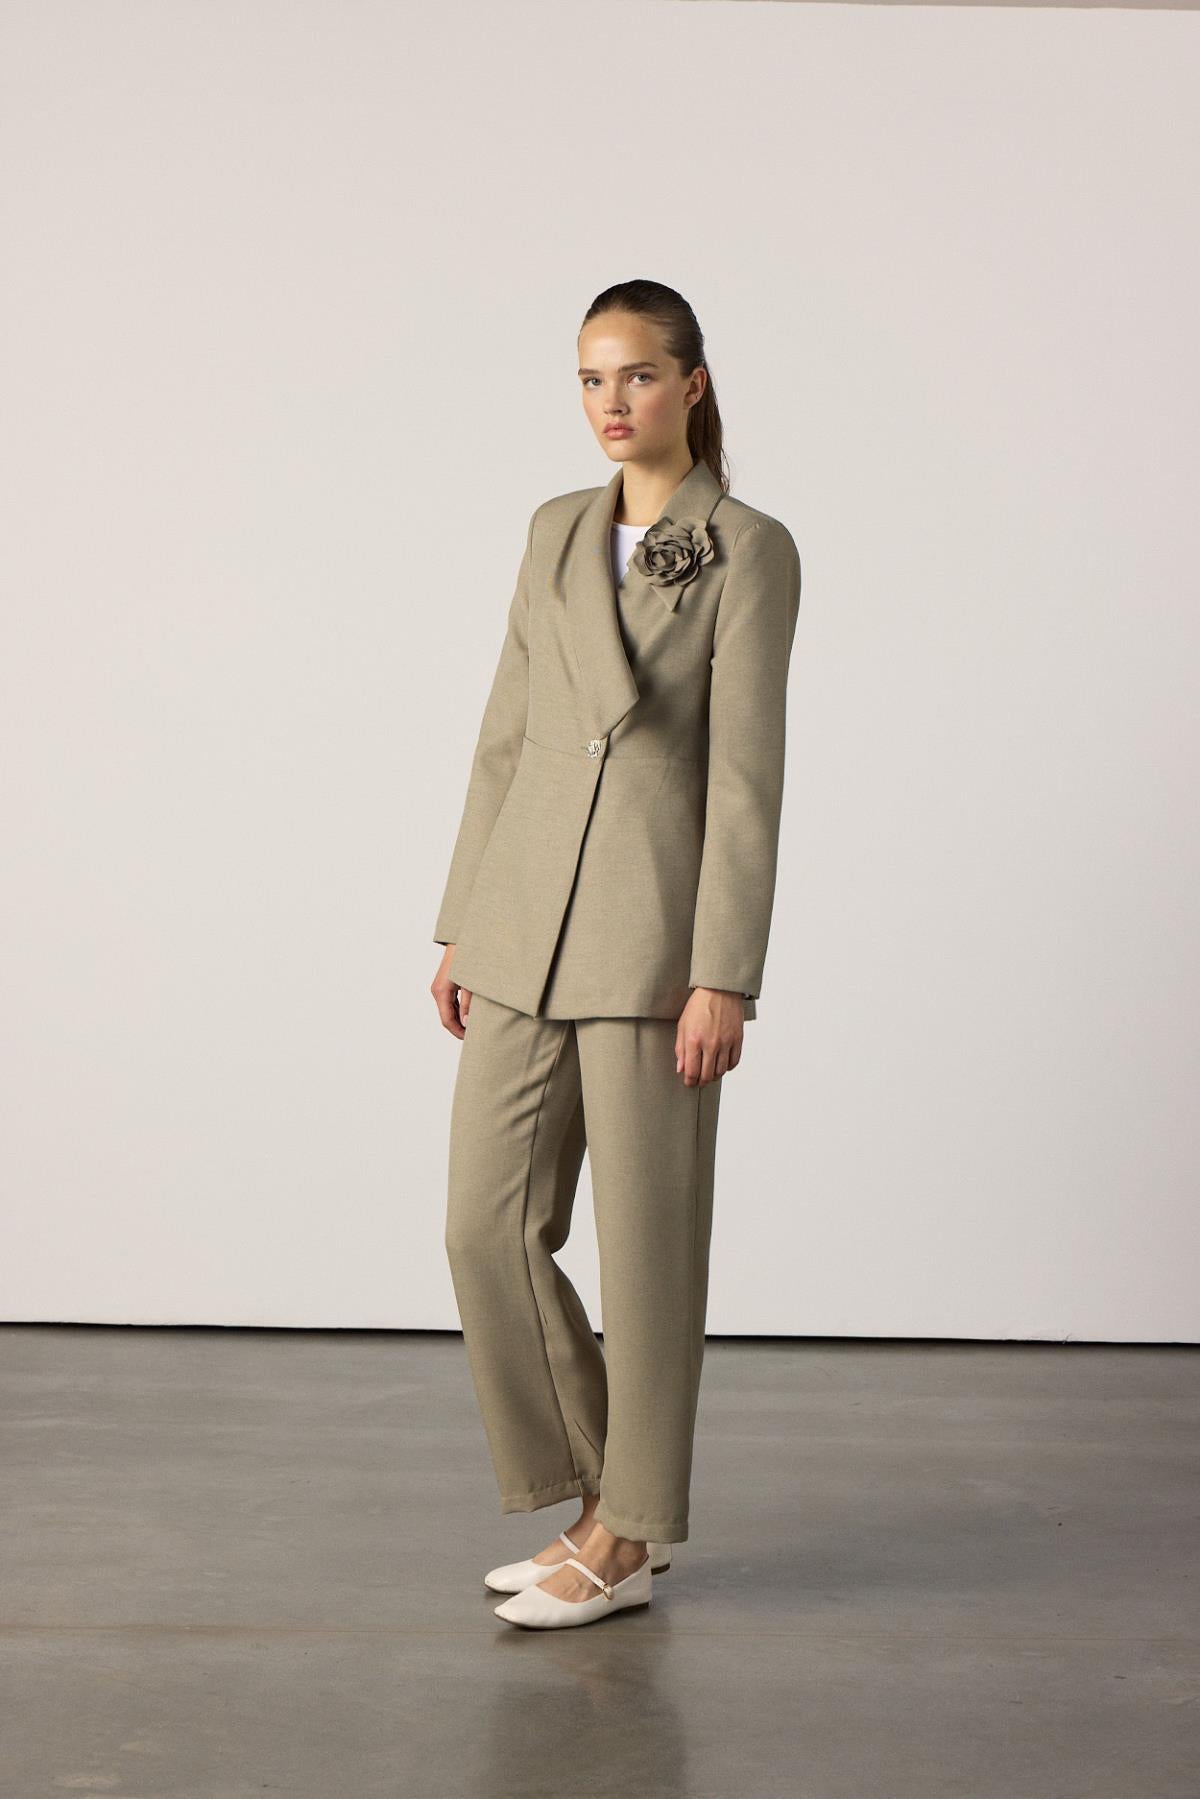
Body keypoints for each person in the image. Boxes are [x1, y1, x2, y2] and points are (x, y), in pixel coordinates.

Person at [430, 278, 802, 1630]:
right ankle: (608, 1501)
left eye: (638, 375)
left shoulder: (749, 549)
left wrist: (724, 972)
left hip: (654, 935)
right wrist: (465, 918)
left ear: (691, 383)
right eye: (591, 379)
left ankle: (625, 1538)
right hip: (526, 919)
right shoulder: (554, 529)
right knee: (484, 1225)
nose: (611, 403)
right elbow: (507, 732)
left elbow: (745, 778)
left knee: (647, 1254)